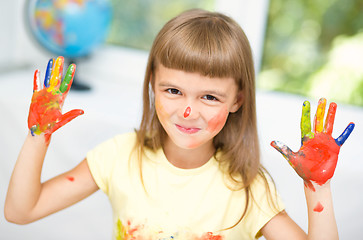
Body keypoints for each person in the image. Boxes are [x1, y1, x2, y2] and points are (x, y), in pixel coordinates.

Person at [5, 9, 354, 240]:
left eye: (210, 97)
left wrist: (317, 187)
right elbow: (22, 211)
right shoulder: (119, 156)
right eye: (173, 91)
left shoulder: (248, 187)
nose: (188, 112)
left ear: (238, 100)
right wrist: (38, 136)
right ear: (152, 85)